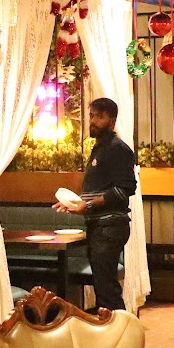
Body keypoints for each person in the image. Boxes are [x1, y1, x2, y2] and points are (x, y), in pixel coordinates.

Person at [54, 97, 136, 311]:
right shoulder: (100, 148)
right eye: (91, 115)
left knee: (107, 291)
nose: (93, 121)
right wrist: (75, 204)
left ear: (112, 121)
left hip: (109, 228)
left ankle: (122, 330)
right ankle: (111, 328)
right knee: (103, 288)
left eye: (99, 116)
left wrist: (87, 206)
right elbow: (100, 191)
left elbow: (125, 189)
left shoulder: (118, 149)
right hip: (99, 227)